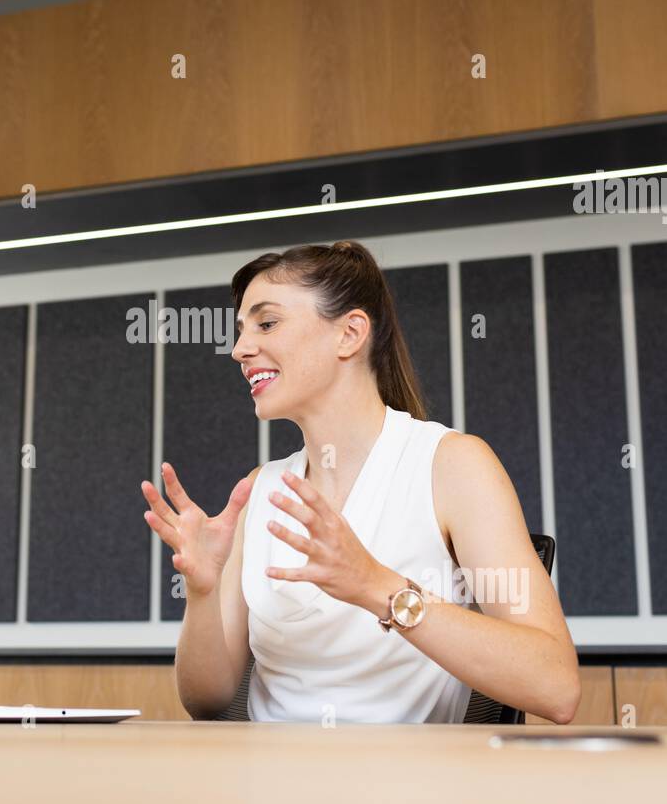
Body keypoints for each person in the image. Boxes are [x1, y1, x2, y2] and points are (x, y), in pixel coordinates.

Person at [141, 239, 580, 725]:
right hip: (269, 787)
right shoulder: (259, 490)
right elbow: (207, 700)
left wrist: (377, 587)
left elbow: (555, 686)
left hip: (407, 792)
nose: (240, 349)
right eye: (240, 330)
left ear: (349, 334)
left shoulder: (452, 466)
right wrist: (202, 594)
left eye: (266, 323)